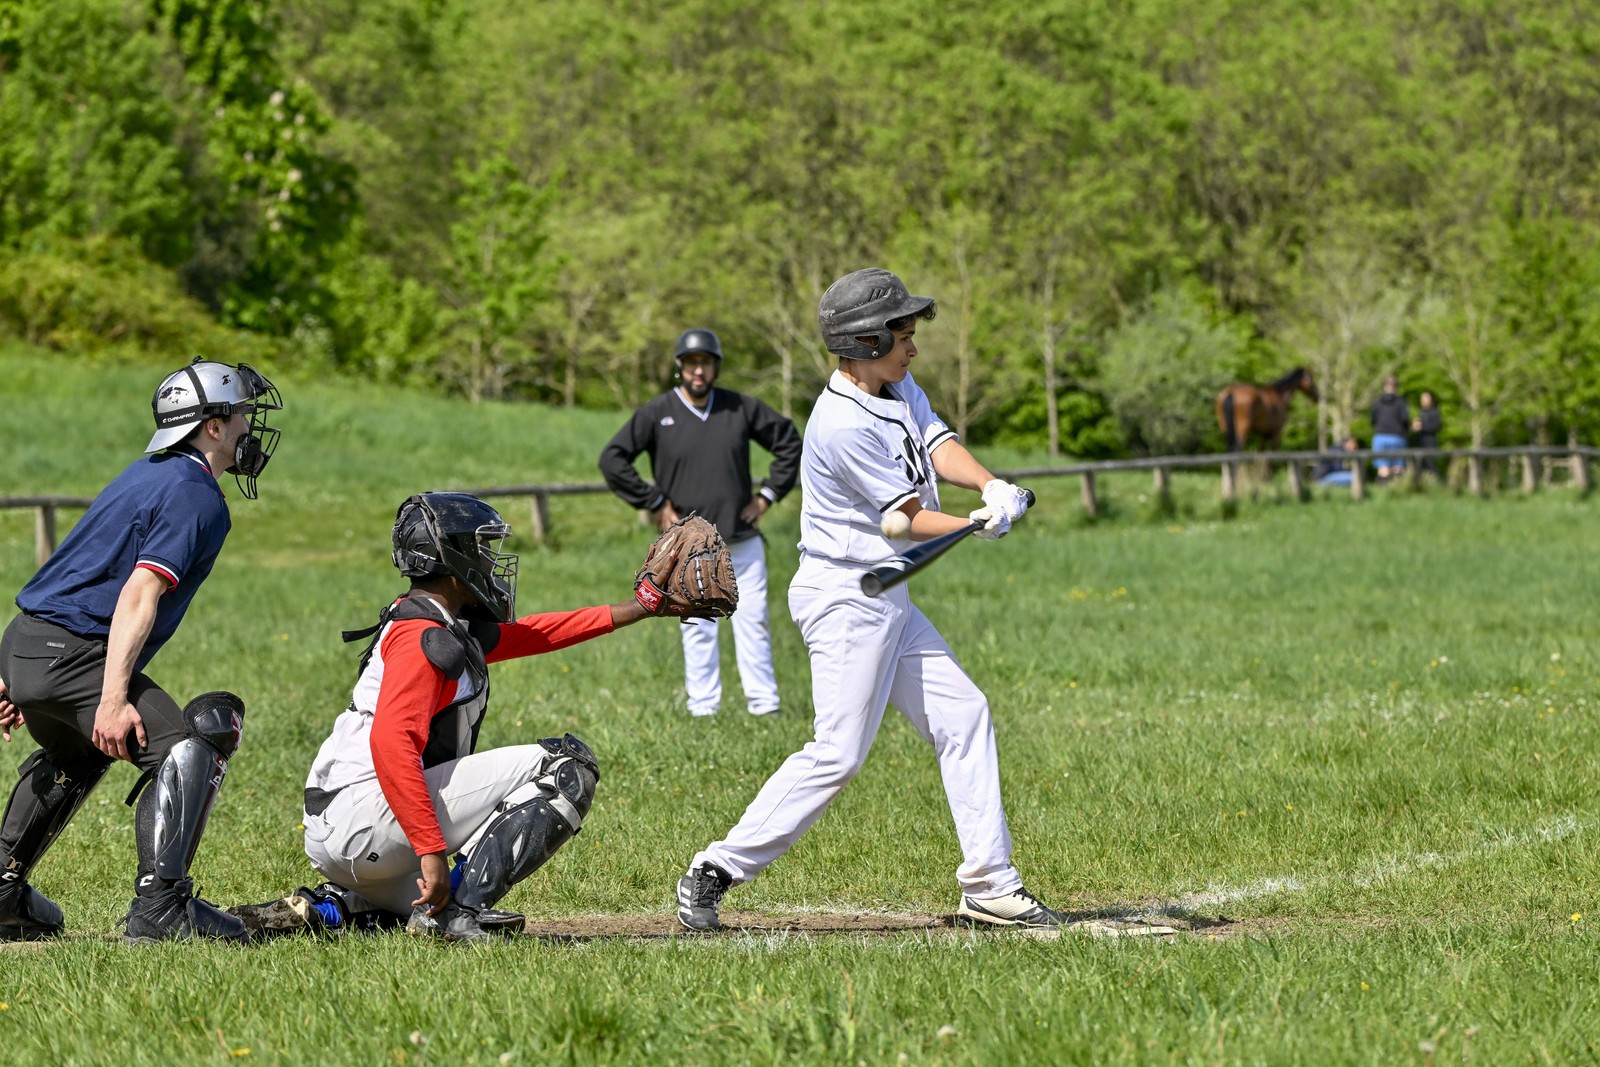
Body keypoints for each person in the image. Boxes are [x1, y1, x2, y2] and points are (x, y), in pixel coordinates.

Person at [674, 267, 1068, 933]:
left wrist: (990, 483)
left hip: (887, 592)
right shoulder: (841, 425)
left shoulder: (891, 382)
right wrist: (978, 522)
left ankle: (991, 884)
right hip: (849, 596)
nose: (913, 347)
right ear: (863, 341)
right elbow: (909, 517)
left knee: (965, 714)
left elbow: (937, 440)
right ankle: (715, 867)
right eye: (902, 336)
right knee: (838, 753)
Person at [230, 492, 715, 943]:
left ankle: (338, 907)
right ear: (451, 558)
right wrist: (430, 850)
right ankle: (455, 915)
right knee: (565, 767)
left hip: (347, 829)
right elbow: (391, 744)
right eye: (481, 549)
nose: (490, 561)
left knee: (409, 910)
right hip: (364, 818)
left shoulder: (432, 620)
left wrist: (641, 607)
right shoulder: (426, 636)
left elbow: (538, 633)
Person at [0, 358, 283, 943]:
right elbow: (138, 593)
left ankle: (2, 895)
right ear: (211, 426)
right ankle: (162, 909)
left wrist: (14, 673)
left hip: (28, 643)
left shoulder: (147, 472)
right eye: (241, 418)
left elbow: (67, 573)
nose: (247, 430)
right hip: (73, 654)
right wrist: (109, 698)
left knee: (80, 754)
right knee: (191, 743)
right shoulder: (196, 494)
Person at [600, 329, 802, 717]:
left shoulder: (738, 408)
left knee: (754, 621)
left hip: (741, 540)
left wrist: (767, 496)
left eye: (705, 363)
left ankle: (765, 706)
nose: (698, 370)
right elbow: (613, 459)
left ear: (715, 367)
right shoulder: (658, 413)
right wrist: (654, 501)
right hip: (686, 548)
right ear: (680, 367)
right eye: (691, 363)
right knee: (696, 625)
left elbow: (789, 442)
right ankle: (703, 708)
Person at [1370, 375, 1410, 481]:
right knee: (1397, 468)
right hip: (1397, 437)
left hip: (1380, 436)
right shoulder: (1401, 402)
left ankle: (1383, 493)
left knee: (1383, 468)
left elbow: (1372, 420)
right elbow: (1405, 420)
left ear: (1384, 386)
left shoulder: (1377, 402)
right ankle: (1396, 492)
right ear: (1396, 387)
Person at [1412, 390, 1442, 477]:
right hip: (1420, 442)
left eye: (1426, 398)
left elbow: (1436, 426)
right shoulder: (1420, 412)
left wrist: (1422, 427)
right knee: (1420, 465)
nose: (1423, 400)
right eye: (1422, 398)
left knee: (1430, 464)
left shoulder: (1434, 412)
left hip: (1430, 442)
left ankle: (1435, 483)